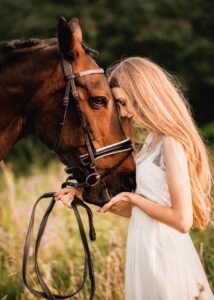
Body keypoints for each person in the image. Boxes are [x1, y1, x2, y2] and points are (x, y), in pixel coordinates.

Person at [54, 57, 214, 299]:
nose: (124, 112)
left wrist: (132, 198)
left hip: (165, 254)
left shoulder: (171, 143)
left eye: (123, 103)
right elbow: (142, 212)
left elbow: (182, 220)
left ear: (143, 94)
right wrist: (83, 196)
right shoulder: (151, 141)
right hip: (143, 248)